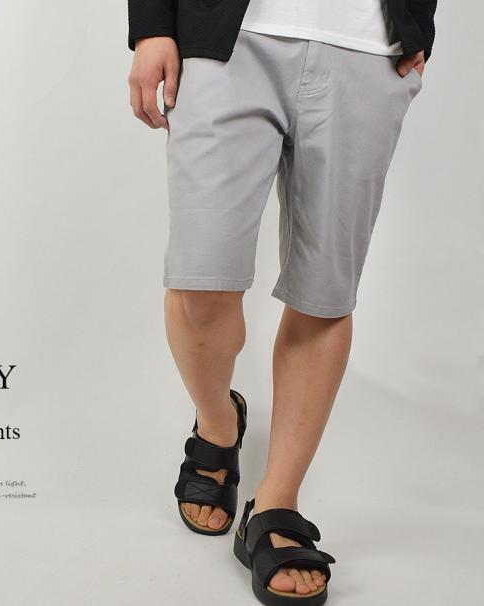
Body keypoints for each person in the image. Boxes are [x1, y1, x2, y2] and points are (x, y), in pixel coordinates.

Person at [127, 1, 437, 604]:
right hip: (224, 36)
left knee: (324, 296)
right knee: (199, 285)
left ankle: (275, 506)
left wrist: (417, 19)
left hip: (369, 49)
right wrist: (152, 26)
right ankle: (219, 424)